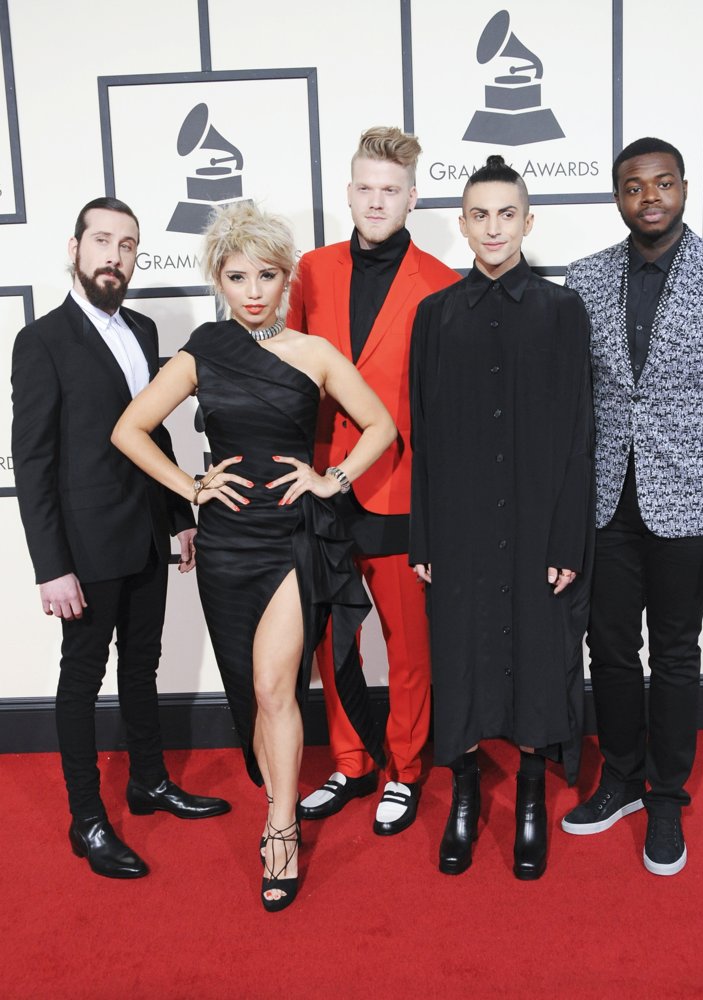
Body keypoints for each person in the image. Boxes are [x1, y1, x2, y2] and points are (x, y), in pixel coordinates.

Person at [112, 201, 396, 911]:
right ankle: (279, 798)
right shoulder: (203, 351)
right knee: (252, 694)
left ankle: (281, 827)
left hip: (292, 541)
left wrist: (332, 478)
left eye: (266, 275)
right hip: (227, 547)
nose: (253, 291)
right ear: (219, 279)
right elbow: (130, 429)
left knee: (276, 688)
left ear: (286, 277)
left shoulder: (314, 353)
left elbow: (380, 424)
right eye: (237, 276)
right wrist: (191, 486)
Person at [563, 137, 703, 875]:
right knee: (611, 649)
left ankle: (666, 795)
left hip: (692, 504)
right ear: (618, 196)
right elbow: (575, 401)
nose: (648, 196)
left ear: (683, 188)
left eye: (661, 183)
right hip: (605, 503)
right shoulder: (585, 279)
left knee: (677, 654)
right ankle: (620, 776)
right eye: (633, 186)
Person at [11, 197, 230, 881]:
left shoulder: (139, 326)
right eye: (101, 241)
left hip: (144, 535)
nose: (115, 255)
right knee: (82, 680)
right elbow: (35, 460)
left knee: (142, 666)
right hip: (83, 547)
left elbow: (155, 436)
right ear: (73, 249)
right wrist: (51, 567)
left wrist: (180, 515)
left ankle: (149, 781)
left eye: (128, 245)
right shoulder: (42, 341)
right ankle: (87, 819)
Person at [409, 155, 594, 879]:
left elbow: (581, 430)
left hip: (537, 520)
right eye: (479, 215)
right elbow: (423, 430)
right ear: (461, 223)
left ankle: (525, 795)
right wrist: (424, 535)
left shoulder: (561, 310)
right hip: (456, 526)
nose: (492, 228)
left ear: (527, 221)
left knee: (538, 660)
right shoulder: (436, 316)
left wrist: (567, 536)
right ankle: (461, 791)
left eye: (506, 214)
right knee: (462, 656)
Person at [287, 126, 459, 835]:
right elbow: (287, 379)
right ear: (349, 192)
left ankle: (406, 767)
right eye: (366, 188)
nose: (377, 200)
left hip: (400, 488)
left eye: (391, 190)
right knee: (333, 639)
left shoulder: (443, 284)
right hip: (321, 483)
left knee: (406, 640)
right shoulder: (308, 270)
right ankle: (353, 760)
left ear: (412, 198)